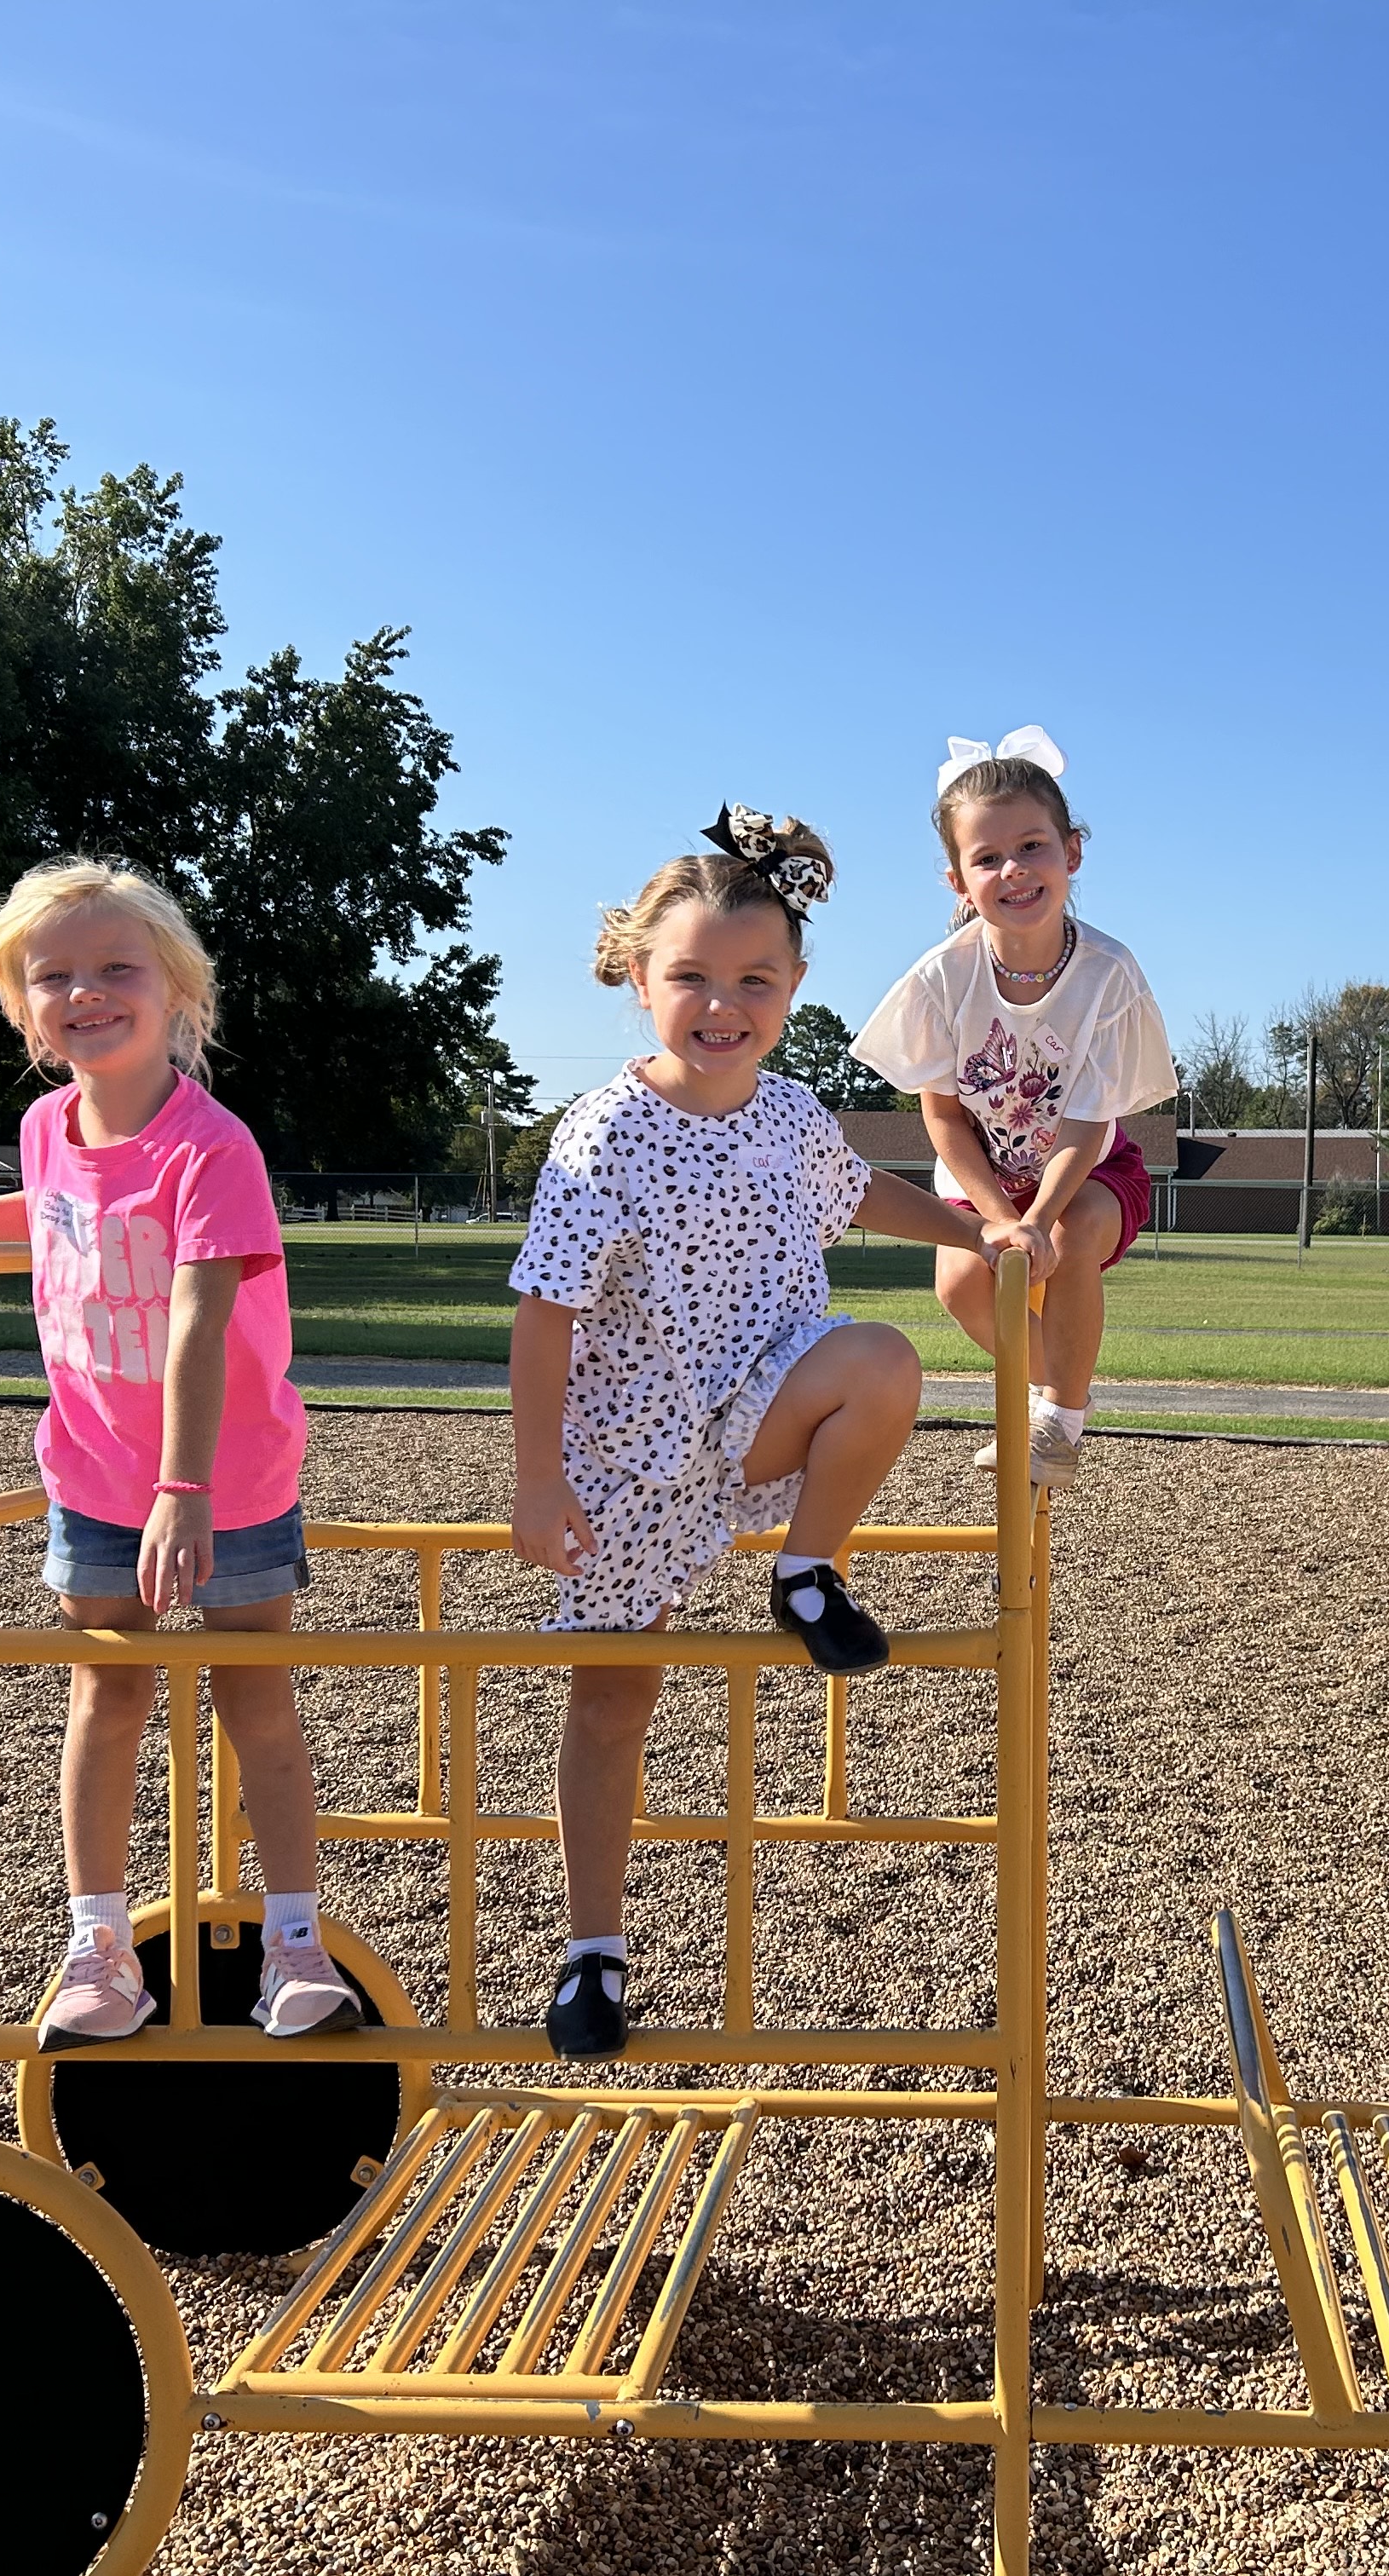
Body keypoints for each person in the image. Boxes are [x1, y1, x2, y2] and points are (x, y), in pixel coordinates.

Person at [512, 808, 1054, 2060]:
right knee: (612, 1702)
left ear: (795, 988)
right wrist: (537, 1481)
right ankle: (593, 1954)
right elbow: (545, 1315)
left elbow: (862, 1193)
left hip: (764, 1407)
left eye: (754, 980)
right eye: (692, 976)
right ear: (639, 977)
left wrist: (980, 1230)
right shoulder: (602, 1135)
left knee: (882, 1358)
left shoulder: (792, 1114)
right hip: (632, 1453)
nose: (723, 1005)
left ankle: (807, 1570)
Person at [0, 857, 358, 2051]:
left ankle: (293, 1942)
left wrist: (184, 1491)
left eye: (115, 970)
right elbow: (57, 1205)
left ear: (176, 989)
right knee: (108, 1690)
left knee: (256, 1696)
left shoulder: (213, 1146)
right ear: (19, 1005)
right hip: (94, 1476)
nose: (85, 993)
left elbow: (199, 1316)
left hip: (226, 1477)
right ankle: (98, 1944)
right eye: (54, 978)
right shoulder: (47, 1127)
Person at [852, 729, 1173, 1490]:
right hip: (983, 1170)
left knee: (1077, 1230)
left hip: (1085, 1164)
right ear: (959, 882)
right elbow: (944, 1120)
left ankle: (1061, 1423)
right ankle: (1048, 1383)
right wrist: (999, 1219)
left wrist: (1039, 1219)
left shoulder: (1108, 973)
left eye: (1032, 846)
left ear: (1073, 852)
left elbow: (1089, 1122)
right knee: (960, 1284)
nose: (1013, 870)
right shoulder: (942, 978)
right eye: (987, 858)